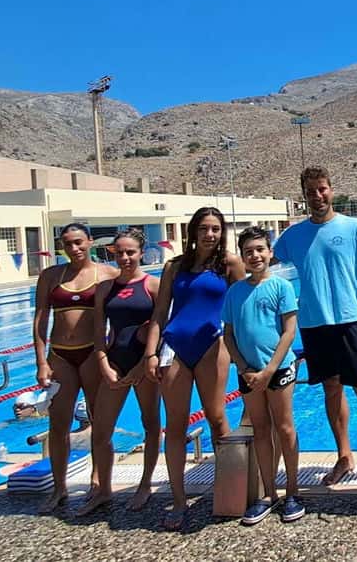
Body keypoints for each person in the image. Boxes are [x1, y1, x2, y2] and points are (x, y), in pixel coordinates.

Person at [271, 166, 357, 486]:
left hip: (351, 320)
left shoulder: (354, 227)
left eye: (322, 189)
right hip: (314, 324)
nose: (317, 196)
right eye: (310, 192)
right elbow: (264, 263)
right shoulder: (293, 236)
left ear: (331, 189)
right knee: (331, 389)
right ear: (304, 197)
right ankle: (344, 456)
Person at [144, 207, 246, 530]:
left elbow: (244, 307)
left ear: (222, 232)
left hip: (213, 346)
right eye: (204, 228)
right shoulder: (174, 267)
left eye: (215, 228)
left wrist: (244, 349)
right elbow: (160, 313)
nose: (210, 234)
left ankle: (228, 489)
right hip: (175, 345)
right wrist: (150, 354)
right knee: (175, 426)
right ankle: (178, 499)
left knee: (217, 418)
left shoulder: (230, 264)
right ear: (193, 232)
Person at [31, 222, 119, 513]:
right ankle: (59, 488)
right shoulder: (50, 276)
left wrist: (112, 351)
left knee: (99, 422)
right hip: (60, 356)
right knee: (58, 424)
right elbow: (40, 319)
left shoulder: (108, 274)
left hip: (93, 354)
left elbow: (122, 315)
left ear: (90, 241)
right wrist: (41, 361)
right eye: (68, 244)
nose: (74, 248)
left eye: (79, 242)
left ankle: (97, 481)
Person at [222, 226, 304, 526]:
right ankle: (268, 494)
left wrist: (269, 370)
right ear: (242, 257)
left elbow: (289, 332)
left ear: (270, 252)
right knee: (260, 430)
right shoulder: (235, 292)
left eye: (260, 249)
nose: (255, 255)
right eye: (248, 252)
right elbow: (228, 334)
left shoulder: (282, 286)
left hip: (278, 369)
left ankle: (292, 491)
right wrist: (243, 367)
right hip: (249, 372)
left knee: (284, 427)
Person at [78, 229, 161, 516]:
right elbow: (98, 330)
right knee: (101, 430)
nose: (125, 257)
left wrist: (143, 364)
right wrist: (103, 362)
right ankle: (103, 489)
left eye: (131, 252)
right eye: (120, 252)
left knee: (151, 425)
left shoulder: (153, 285)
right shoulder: (105, 288)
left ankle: (145, 484)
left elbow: (161, 328)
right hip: (114, 361)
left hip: (144, 364)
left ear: (141, 253)